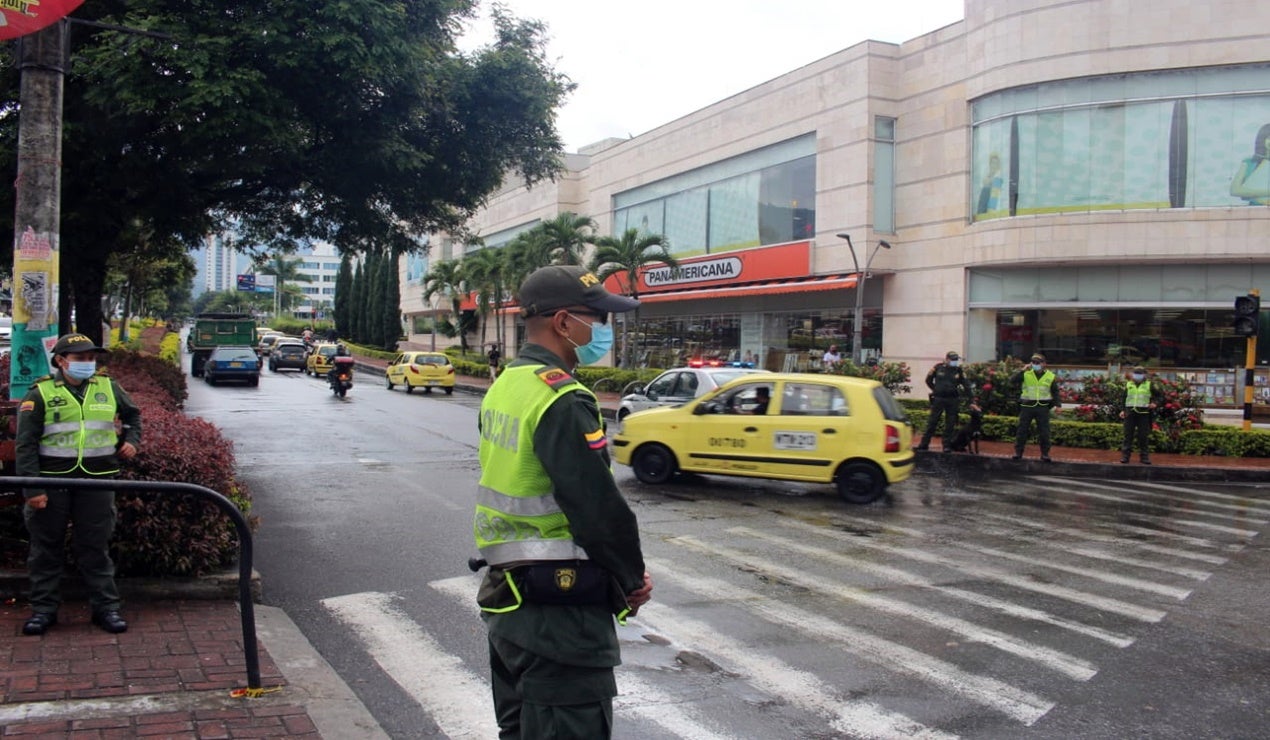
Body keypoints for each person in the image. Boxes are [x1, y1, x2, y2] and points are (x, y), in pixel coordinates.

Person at [473, 265, 652, 738]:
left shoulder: (507, 386)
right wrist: (631, 581)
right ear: (563, 322)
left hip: (509, 603)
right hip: (560, 616)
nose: (603, 330)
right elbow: (597, 509)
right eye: (597, 317)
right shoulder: (561, 398)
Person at [16, 333, 142, 636]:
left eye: (91, 358)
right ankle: (43, 611)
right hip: (53, 481)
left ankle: (106, 609)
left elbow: (133, 416)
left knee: (95, 547)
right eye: (80, 358)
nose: (88, 363)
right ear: (61, 361)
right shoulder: (40, 393)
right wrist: (33, 489)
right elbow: (26, 445)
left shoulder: (108, 387)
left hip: (97, 480)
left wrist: (131, 440)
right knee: (46, 550)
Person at [916, 351, 978, 452]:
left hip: (952, 400)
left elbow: (967, 386)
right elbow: (928, 380)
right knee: (932, 422)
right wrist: (935, 390)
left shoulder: (958, 371)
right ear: (947, 359)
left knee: (950, 423)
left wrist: (971, 400)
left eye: (956, 360)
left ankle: (946, 445)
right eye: (953, 360)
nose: (955, 362)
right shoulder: (938, 367)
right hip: (939, 399)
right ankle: (924, 444)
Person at [1010, 353, 1060, 462]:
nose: (1035, 364)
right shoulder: (1026, 373)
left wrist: (1058, 405)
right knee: (1022, 430)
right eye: (1033, 362)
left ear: (1044, 364)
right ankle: (1018, 452)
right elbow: (1012, 380)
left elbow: (1055, 391)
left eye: (1038, 362)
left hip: (1042, 407)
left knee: (1044, 432)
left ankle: (1045, 454)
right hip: (1027, 406)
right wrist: (1023, 370)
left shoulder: (1050, 376)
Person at [1120, 365, 1163, 465]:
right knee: (1128, 436)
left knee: (1143, 436)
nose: (1137, 376)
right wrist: (1122, 410)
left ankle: (1144, 457)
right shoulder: (1128, 384)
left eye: (1139, 374)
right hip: (1130, 413)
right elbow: (1124, 398)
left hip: (1144, 414)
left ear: (1144, 375)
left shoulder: (1149, 384)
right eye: (1136, 374)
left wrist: (1155, 403)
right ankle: (1125, 457)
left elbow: (1160, 396)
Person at [1230, 123, 1270, 205]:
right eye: (1269, 138)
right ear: (1262, 140)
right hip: (1254, 211)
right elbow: (1234, 190)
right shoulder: (1249, 163)